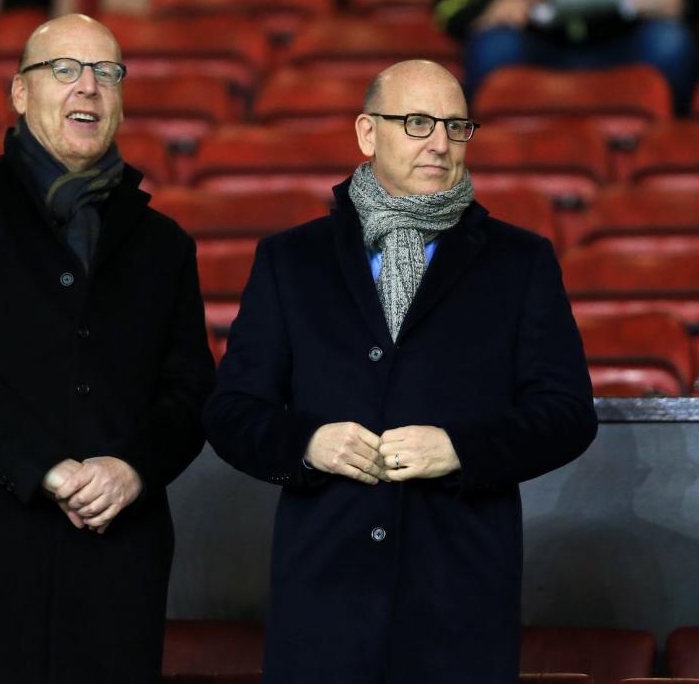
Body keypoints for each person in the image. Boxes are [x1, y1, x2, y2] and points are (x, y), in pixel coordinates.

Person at [203, 60, 597, 683]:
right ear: (367, 133)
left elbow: (569, 414)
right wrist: (308, 443)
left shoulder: (521, 262)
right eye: (416, 123)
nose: (439, 143)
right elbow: (232, 413)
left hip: (461, 602)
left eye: (456, 126)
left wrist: (461, 449)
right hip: (323, 601)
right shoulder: (290, 259)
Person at [0, 13, 215, 684]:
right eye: (64, 69)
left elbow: (190, 389)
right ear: (19, 93)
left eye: (107, 73)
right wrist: (47, 469)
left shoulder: (165, 243)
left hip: (120, 562)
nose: (88, 88)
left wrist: (133, 468)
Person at [437, 0, 699, 116]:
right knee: (493, 47)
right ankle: (487, 146)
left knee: (670, 42)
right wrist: (490, 10)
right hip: (529, 37)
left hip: (629, 35)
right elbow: (451, 6)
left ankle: (667, 141)